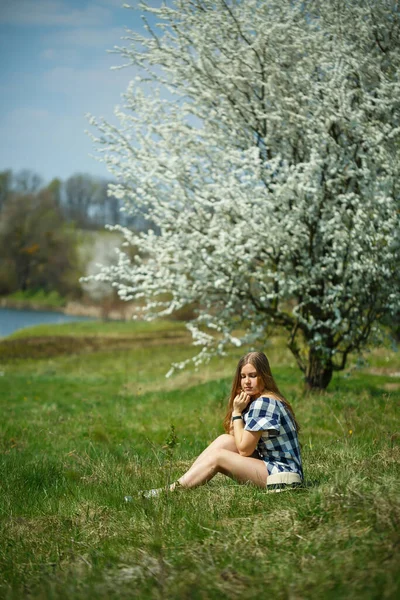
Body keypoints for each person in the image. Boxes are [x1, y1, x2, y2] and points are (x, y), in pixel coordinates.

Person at [135, 351, 303, 499]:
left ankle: (168, 493)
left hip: (283, 476)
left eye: (253, 375)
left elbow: (245, 449)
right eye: (243, 377)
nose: (247, 382)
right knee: (224, 440)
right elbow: (234, 437)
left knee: (218, 457)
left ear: (264, 377)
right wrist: (240, 410)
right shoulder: (263, 398)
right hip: (275, 468)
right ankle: (179, 484)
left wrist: (237, 413)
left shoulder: (264, 402)